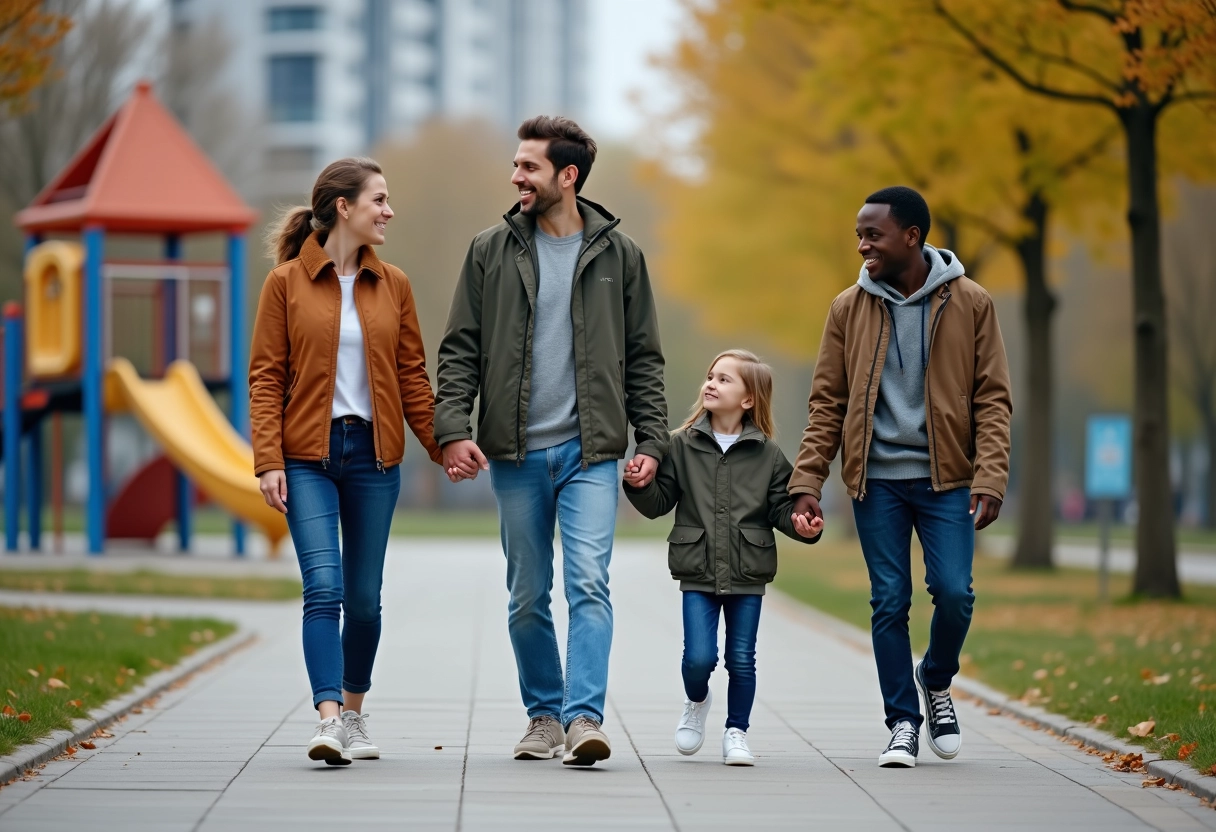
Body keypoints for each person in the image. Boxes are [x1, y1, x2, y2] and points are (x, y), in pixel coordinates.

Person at [434, 116, 668, 767]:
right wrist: (452, 430)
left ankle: (584, 717)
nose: (516, 176)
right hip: (514, 453)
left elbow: (644, 358)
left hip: (592, 452)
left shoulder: (620, 255)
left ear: (567, 176)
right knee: (527, 595)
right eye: (516, 164)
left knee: (589, 582)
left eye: (528, 167)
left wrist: (651, 440)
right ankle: (543, 716)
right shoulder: (490, 250)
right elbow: (460, 349)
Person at [789, 186, 1012, 768]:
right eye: (859, 235)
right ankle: (903, 723)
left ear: (912, 237)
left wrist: (991, 476)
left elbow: (992, 399)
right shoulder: (847, 308)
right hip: (877, 482)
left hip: (948, 479)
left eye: (873, 235)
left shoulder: (972, 303)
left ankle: (934, 679)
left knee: (955, 594)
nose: (862, 245)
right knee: (889, 600)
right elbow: (827, 403)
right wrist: (807, 482)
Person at [249, 157, 444, 766]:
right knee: (323, 589)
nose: (388, 211)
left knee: (363, 600)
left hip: (374, 459)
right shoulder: (284, 283)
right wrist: (268, 460)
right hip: (306, 457)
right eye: (378, 200)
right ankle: (329, 720)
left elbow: (412, 378)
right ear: (343, 206)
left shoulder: (395, 284)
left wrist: (444, 445)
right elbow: (265, 377)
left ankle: (354, 713)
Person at [625, 350, 821, 766]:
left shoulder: (768, 453)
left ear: (748, 399)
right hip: (697, 568)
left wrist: (802, 525)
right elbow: (659, 502)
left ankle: (737, 732)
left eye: (724, 379)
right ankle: (697, 700)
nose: (711, 384)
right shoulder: (680, 444)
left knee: (741, 659)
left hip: (748, 570)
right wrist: (640, 485)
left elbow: (781, 510)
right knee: (698, 659)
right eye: (710, 376)